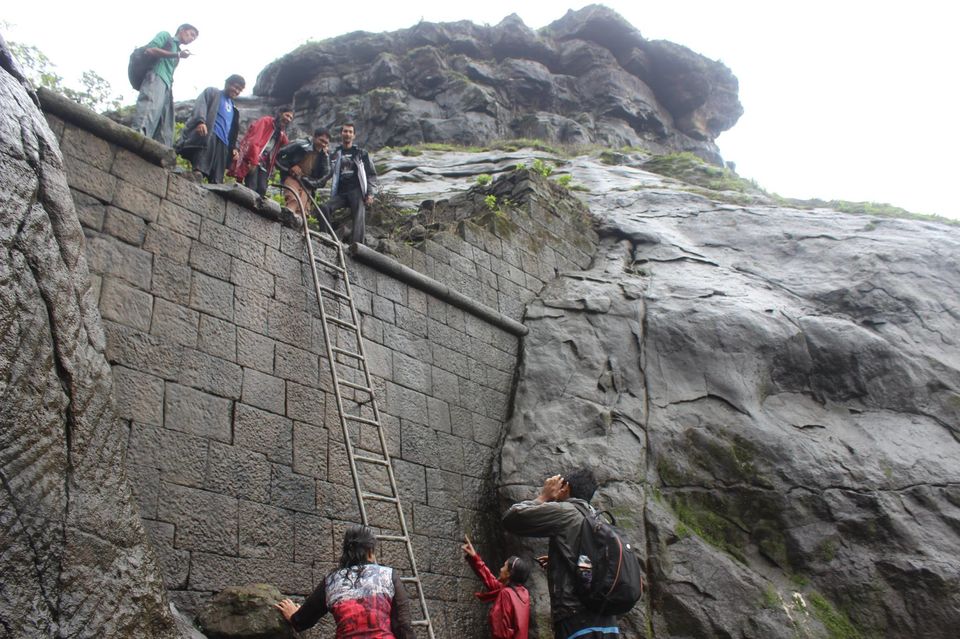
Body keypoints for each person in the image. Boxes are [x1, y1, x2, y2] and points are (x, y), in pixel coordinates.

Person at [502, 469, 620, 639]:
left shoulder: (567, 511)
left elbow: (512, 519)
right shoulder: (600, 520)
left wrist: (543, 496)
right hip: (608, 621)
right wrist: (564, 561)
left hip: (577, 619)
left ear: (566, 488)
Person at [275, 524, 414, 638]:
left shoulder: (332, 581)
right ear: (370, 551)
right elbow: (403, 624)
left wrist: (294, 617)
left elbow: (303, 620)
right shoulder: (388, 575)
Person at [130, 24, 199, 146]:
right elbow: (150, 50)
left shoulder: (177, 50)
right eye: (191, 34)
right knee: (148, 109)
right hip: (156, 75)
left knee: (165, 121)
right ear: (182, 30)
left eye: (194, 38)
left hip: (167, 85)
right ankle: (137, 138)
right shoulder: (166, 36)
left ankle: (154, 147)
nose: (192, 39)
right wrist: (177, 55)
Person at [175, 75, 245, 184]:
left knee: (217, 179)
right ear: (227, 83)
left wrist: (234, 147)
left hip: (223, 143)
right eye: (235, 87)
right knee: (200, 169)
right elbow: (201, 105)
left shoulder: (234, 109)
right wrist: (201, 121)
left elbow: (233, 131)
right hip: (210, 135)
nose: (236, 91)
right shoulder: (213, 92)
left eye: (239, 90)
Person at [462, 534, 531, 639]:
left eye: (504, 566)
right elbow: (492, 582)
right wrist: (474, 557)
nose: (501, 569)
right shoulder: (523, 592)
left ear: (509, 574)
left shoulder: (506, 593)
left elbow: (500, 632)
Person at [321, 123, 377, 245]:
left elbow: (371, 174)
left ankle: (357, 245)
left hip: (356, 191)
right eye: (345, 131)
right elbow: (326, 171)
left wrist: (370, 194)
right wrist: (324, 156)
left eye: (350, 132)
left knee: (358, 215)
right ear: (341, 134)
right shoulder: (335, 154)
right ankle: (325, 237)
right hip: (341, 193)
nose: (348, 134)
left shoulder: (361, 153)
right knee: (324, 207)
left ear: (354, 135)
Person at [229, 107, 294, 196]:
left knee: (262, 188)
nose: (288, 119)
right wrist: (253, 161)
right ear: (280, 114)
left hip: (264, 164)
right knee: (252, 186)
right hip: (253, 158)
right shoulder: (266, 121)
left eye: (291, 118)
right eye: (287, 115)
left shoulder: (281, 133)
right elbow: (254, 141)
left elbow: (287, 146)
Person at [276, 127, 331, 214]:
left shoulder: (324, 156)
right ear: (315, 137)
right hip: (292, 177)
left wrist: (308, 180)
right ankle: (286, 218)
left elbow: (324, 178)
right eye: (321, 140)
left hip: (307, 184)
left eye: (326, 143)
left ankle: (294, 225)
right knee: (293, 200)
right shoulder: (300, 144)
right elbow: (277, 154)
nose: (323, 144)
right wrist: (289, 168)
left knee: (302, 211)